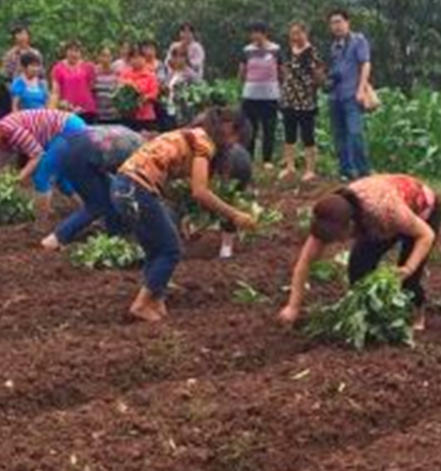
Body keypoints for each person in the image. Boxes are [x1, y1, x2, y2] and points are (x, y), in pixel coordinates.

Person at [111, 109, 257, 321]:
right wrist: (234, 214)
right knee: (172, 250)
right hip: (137, 189)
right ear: (228, 127)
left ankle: (156, 300)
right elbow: (199, 191)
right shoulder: (204, 142)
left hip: (121, 187)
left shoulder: (191, 134)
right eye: (236, 138)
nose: (233, 145)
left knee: (156, 249)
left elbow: (179, 186)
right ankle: (141, 304)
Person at [278, 174, 441, 332]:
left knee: (408, 281)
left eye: (337, 237)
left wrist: (408, 268)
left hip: (421, 213)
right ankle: (369, 314)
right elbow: (305, 262)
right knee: (358, 267)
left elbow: (426, 235)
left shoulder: (384, 212)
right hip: (384, 215)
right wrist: (293, 306)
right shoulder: (328, 214)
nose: (337, 241)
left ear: (350, 225)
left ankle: (417, 315)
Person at [40, 124, 145, 249]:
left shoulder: (134, 137)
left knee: (110, 195)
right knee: (97, 205)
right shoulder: (140, 154)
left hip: (70, 146)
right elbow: (129, 184)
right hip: (80, 157)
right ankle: (56, 239)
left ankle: (114, 234)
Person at [0, 108, 88, 217]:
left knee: (42, 176)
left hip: (67, 129)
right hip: (61, 133)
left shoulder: (12, 130)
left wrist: (18, 178)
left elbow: (37, 155)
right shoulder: (1, 139)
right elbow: (0, 165)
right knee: (60, 178)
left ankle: (41, 220)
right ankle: (89, 208)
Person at [326, 8, 372, 180]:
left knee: (355, 133)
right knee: (339, 135)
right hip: (335, 96)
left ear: (347, 22)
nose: (336, 26)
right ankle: (346, 171)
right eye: (332, 23)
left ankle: (363, 172)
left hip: (352, 95)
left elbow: (365, 65)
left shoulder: (358, 40)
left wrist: (361, 89)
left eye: (339, 21)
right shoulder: (334, 46)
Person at [279, 21, 324, 182]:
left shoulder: (312, 52)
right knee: (289, 133)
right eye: (292, 33)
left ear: (306, 33)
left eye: (298, 33)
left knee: (307, 134)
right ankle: (290, 167)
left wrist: (311, 87)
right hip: (289, 98)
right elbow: (284, 71)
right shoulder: (287, 51)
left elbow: (319, 76)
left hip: (306, 99)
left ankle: (310, 169)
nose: (295, 36)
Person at [239, 22, 283, 168]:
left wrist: (281, 88)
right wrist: (244, 85)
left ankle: (267, 160)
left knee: (269, 128)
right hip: (250, 95)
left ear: (265, 34)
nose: (254, 36)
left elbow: (282, 70)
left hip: (270, 95)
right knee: (250, 128)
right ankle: (248, 158)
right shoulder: (247, 50)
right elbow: (242, 72)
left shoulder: (276, 49)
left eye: (257, 32)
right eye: (252, 33)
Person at [51, 41, 98, 121]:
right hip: (67, 110)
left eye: (76, 51)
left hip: (87, 110)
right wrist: (53, 109)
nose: (74, 54)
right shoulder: (58, 68)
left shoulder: (88, 67)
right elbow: (55, 91)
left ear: (80, 53)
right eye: (71, 51)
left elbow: (92, 86)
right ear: (66, 52)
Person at [117, 44, 160, 130]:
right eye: (133, 57)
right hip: (128, 116)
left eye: (139, 57)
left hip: (146, 116)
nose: (136, 60)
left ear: (144, 59)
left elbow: (154, 93)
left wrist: (144, 97)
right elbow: (119, 91)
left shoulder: (150, 75)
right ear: (129, 60)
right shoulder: (124, 74)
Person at [93, 46, 120, 123]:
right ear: (99, 57)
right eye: (103, 55)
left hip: (114, 114)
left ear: (112, 57)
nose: (106, 59)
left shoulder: (117, 72)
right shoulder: (94, 72)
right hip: (98, 114)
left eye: (108, 56)